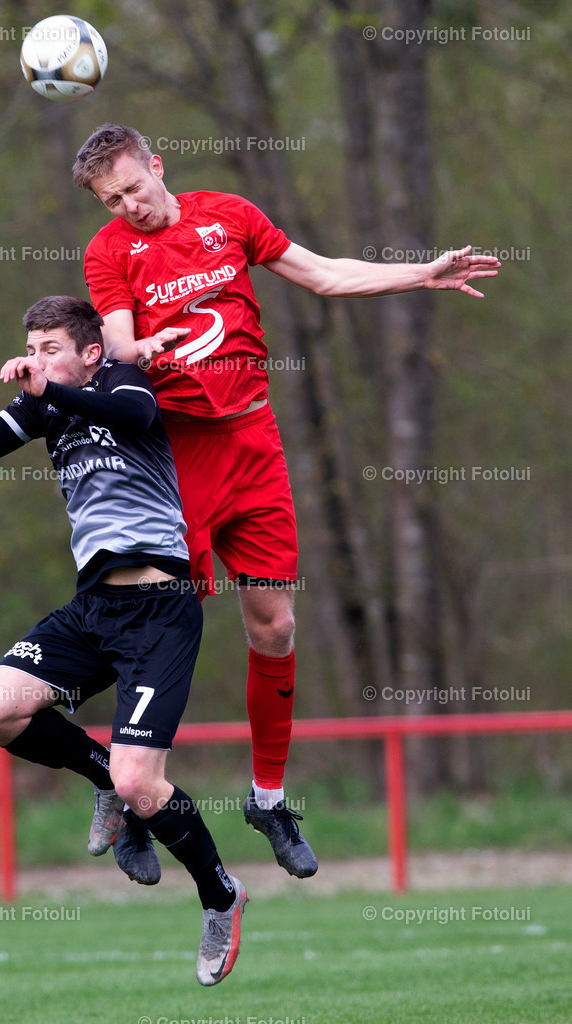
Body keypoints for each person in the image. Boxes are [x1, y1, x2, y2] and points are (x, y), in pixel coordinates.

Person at [72, 123, 501, 880]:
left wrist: (421, 274)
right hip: (178, 457)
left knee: (275, 625)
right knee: (160, 627)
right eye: (113, 199)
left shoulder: (229, 215)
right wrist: (135, 352)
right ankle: (132, 795)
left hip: (254, 446)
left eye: (134, 187)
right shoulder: (110, 251)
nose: (129, 206)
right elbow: (118, 341)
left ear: (157, 166)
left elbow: (324, 274)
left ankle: (268, 799)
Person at [0, 295, 247, 986]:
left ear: (90, 352)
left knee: (141, 780)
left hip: (161, 609)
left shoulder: (124, 380)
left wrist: (50, 389)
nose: (35, 359)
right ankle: (103, 782)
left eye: (50, 347)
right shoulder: (44, 405)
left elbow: (136, 419)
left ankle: (220, 896)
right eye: (30, 347)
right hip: (94, 609)